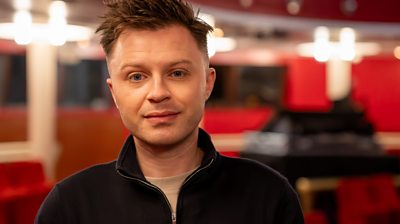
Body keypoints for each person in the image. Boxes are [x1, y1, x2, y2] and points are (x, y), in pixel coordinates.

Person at [35, 0, 304, 223]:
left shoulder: (269, 196)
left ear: (207, 83)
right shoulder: (70, 207)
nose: (157, 93)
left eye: (177, 73)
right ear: (115, 92)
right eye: (137, 77)